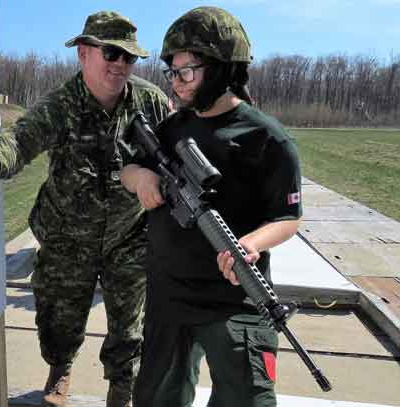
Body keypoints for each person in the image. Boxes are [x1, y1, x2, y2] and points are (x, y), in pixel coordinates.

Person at [0, 11, 170, 407]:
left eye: (129, 58)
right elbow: (19, 141)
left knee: (130, 327)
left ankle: (122, 389)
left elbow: (175, 151)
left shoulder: (150, 103)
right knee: (58, 319)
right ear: (84, 53)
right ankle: (60, 371)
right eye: (111, 53)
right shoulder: (61, 104)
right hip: (67, 237)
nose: (120, 64)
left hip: (129, 237)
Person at [120, 7, 302, 407]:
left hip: (235, 302)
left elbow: (288, 218)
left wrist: (251, 244)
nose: (177, 82)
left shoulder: (268, 139)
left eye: (187, 71)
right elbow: (129, 166)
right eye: (173, 72)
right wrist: (141, 179)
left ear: (221, 69)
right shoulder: (171, 130)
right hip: (169, 296)